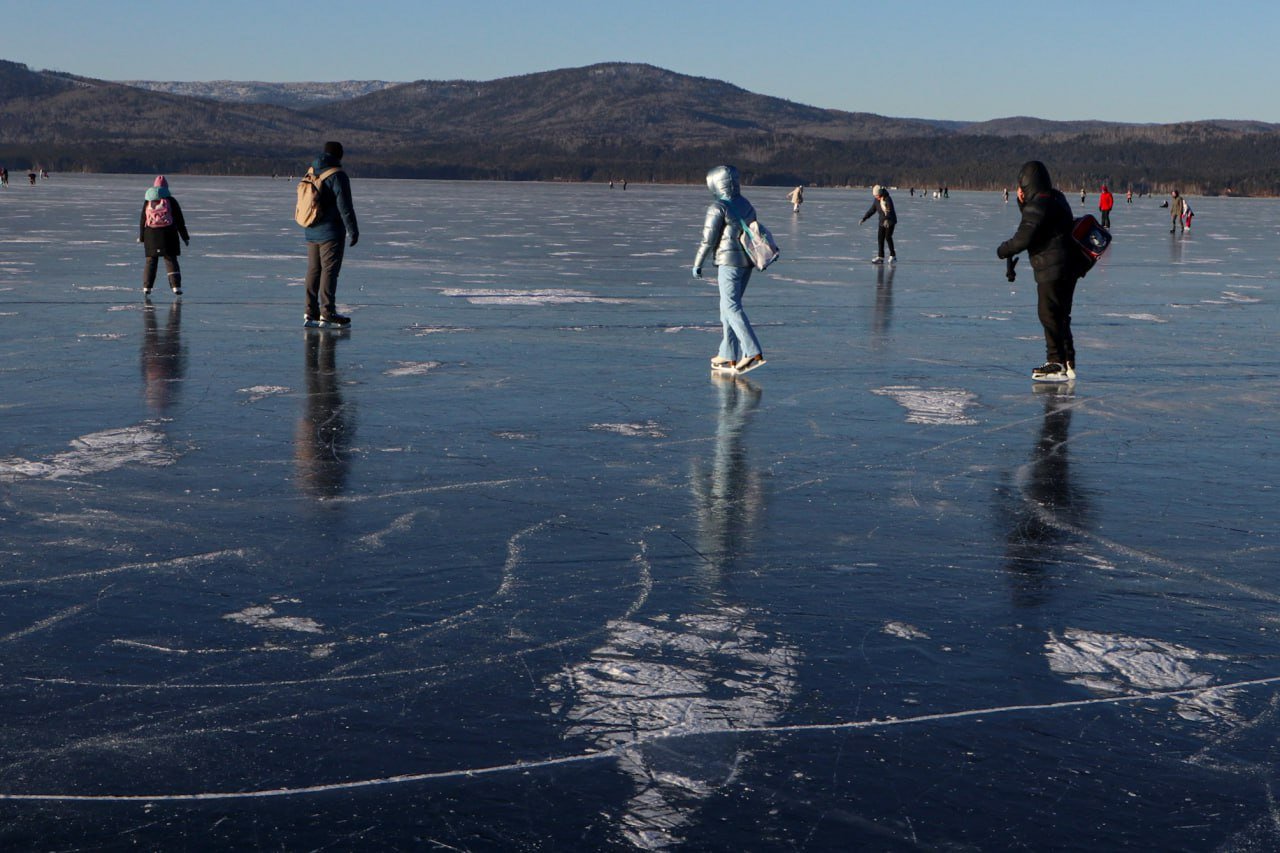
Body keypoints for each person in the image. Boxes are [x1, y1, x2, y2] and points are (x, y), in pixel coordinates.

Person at [996, 161, 1081, 382]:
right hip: (1068, 265)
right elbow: (1036, 222)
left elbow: (1024, 236)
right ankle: (1068, 360)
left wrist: (1003, 250)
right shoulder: (1055, 198)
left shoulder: (1038, 205)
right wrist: (1022, 202)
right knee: (1061, 314)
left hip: (1051, 269)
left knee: (1048, 314)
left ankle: (1055, 362)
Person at [692, 165, 765, 374]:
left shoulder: (718, 207)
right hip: (747, 262)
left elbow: (708, 240)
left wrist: (698, 263)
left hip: (729, 262)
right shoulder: (745, 203)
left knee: (731, 307)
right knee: (727, 308)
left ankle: (751, 351)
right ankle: (728, 353)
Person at [302, 141, 359, 327]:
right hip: (331, 232)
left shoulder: (312, 171)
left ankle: (310, 313)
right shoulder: (337, 175)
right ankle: (327, 313)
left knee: (313, 270)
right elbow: (345, 206)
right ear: (339, 156)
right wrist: (353, 230)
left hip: (311, 230)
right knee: (329, 271)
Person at [138, 175, 189, 297]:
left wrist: (142, 236)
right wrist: (185, 236)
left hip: (150, 234)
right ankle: (176, 286)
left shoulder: (148, 201)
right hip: (168, 234)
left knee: (151, 261)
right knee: (171, 259)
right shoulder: (171, 201)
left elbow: (142, 220)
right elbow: (180, 220)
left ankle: (147, 287)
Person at [859, 184, 897, 263]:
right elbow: (872, 210)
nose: (877, 197)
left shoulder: (887, 199)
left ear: (880, 193)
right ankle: (880, 257)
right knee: (880, 238)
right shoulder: (876, 200)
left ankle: (893, 256)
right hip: (882, 222)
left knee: (888, 237)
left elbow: (889, 210)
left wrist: (887, 219)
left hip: (890, 221)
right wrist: (864, 218)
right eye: (875, 196)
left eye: (877, 195)